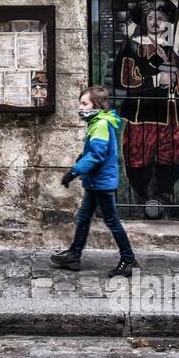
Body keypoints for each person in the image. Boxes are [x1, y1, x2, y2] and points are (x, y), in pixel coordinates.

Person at [50, 86, 138, 278]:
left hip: (102, 183)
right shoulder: (97, 122)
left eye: (84, 103)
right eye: (80, 103)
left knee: (112, 221)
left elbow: (96, 155)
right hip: (95, 181)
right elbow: (95, 151)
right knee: (83, 218)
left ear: (97, 104)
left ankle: (128, 259)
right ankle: (74, 254)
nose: (80, 107)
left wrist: (74, 172)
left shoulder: (100, 124)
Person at [115, 0, 179, 219]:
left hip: (169, 114)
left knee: (172, 157)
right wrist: (156, 80)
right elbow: (125, 79)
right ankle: (146, 197)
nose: (155, 22)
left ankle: (163, 196)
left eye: (160, 18)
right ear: (144, 21)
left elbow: (178, 79)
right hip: (143, 112)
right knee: (139, 156)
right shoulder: (132, 45)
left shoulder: (170, 50)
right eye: (150, 18)